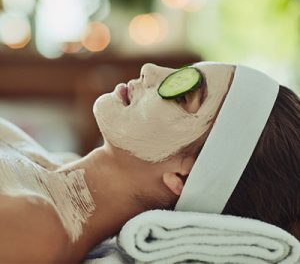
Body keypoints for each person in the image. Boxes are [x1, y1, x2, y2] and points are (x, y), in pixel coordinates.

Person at [0, 62, 298, 263]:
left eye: (184, 97)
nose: (150, 70)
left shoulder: (35, 228)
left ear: (182, 177)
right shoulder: (47, 164)